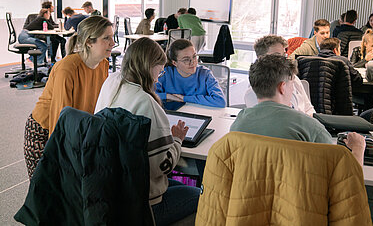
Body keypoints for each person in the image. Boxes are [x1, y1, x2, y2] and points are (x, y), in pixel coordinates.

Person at [95, 38, 200, 225]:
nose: (158, 77)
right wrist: (176, 139)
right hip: (144, 206)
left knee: (176, 186)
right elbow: (163, 167)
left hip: (113, 191)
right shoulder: (145, 102)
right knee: (202, 196)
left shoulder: (111, 82)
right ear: (148, 66)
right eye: (158, 71)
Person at [231, 54, 366, 166]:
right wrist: (358, 148)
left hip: (250, 195)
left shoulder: (238, 124)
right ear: (282, 87)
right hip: (297, 196)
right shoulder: (311, 128)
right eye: (292, 84)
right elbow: (347, 180)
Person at [23, 16, 114, 178]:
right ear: (88, 42)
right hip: (45, 132)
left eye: (112, 37)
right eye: (106, 38)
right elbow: (59, 121)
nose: (112, 43)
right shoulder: (67, 68)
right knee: (46, 193)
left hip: (77, 130)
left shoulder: (103, 65)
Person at [245, 35, 315, 116]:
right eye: (277, 55)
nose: (283, 59)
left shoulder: (293, 78)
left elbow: (309, 108)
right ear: (261, 58)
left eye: (284, 55)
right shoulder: (256, 90)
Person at [156, 39, 226, 108]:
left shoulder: (205, 74)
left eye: (194, 57)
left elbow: (220, 101)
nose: (192, 62)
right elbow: (149, 95)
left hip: (199, 115)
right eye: (186, 59)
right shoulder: (164, 73)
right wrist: (168, 96)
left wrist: (184, 98)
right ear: (174, 63)